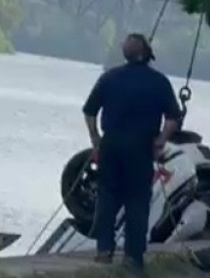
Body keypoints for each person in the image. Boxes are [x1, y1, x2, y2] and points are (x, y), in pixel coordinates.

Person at [82, 33, 182, 275]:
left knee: (107, 196)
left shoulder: (109, 78)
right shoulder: (159, 82)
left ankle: (104, 250)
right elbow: (173, 119)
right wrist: (160, 141)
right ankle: (133, 256)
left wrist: (95, 138)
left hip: (111, 144)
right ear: (148, 55)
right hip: (140, 147)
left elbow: (89, 111)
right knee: (137, 200)